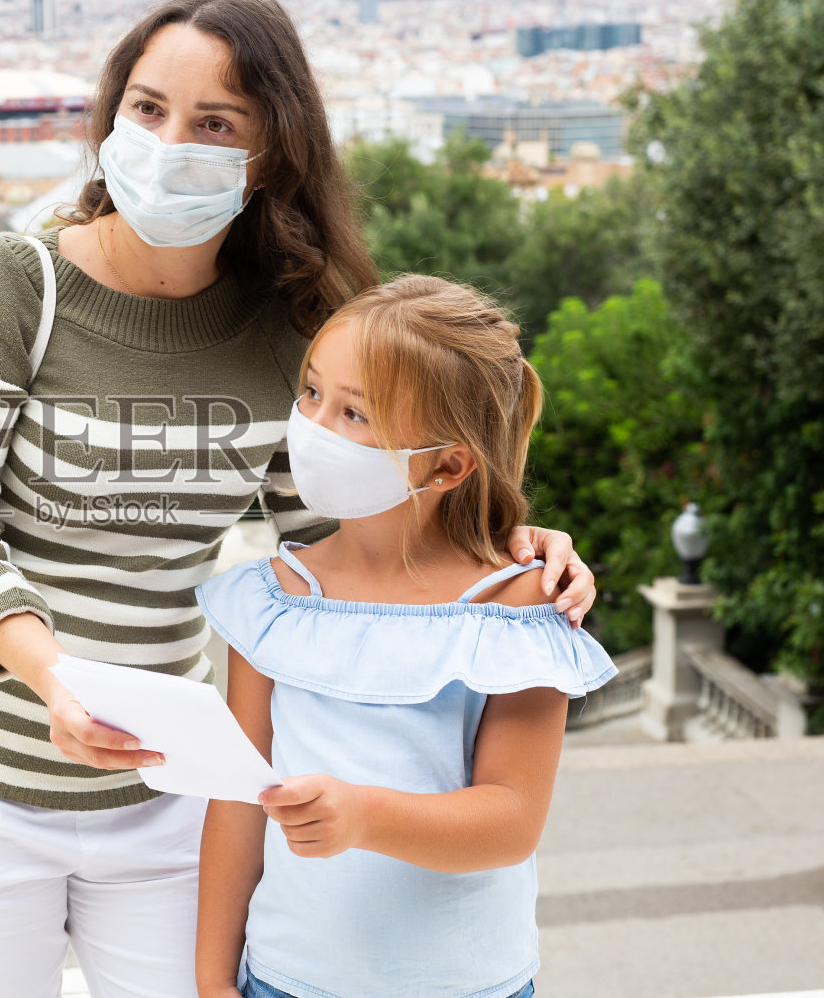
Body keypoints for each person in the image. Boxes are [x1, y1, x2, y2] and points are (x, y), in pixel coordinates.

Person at [0, 0, 600, 998]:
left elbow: (352, 535)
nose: (168, 142)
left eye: (215, 123)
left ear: (272, 154)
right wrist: (52, 678)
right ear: (111, 112)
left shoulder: (290, 329)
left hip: (165, 784)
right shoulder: (14, 287)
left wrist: (505, 538)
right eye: (148, 107)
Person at [194, 276, 617, 998]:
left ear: (448, 464)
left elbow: (512, 820)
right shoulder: (274, 598)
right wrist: (211, 978)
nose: (317, 425)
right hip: (282, 980)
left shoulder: (516, 607)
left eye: (355, 411)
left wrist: (362, 814)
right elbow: (236, 800)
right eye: (312, 392)